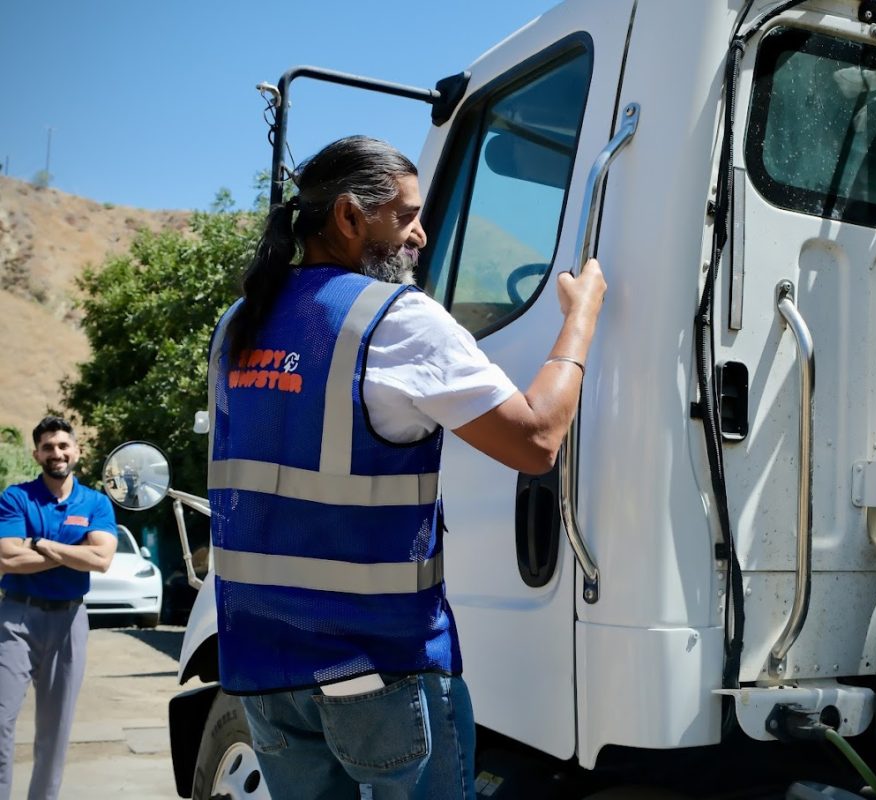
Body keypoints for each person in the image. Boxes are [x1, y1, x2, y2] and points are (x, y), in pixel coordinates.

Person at [207, 135, 606, 799]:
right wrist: (582, 317)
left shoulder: (237, 324)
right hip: (377, 674)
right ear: (348, 217)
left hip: (263, 671)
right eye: (408, 215)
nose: (422, 234)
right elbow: (535, 440)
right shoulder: (395, 321)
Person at [0, 416, 117, 800]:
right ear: (37, 454)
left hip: (70, 619)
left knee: (56, 727)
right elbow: (8, 561)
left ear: (77, 451)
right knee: (0, 720)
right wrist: (75, 553)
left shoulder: (96, 503)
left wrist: (41, 545)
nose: (57, 453)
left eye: (63, 445)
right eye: (48, 447)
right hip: (16, 616)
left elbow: (102, 560)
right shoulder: (16, 498)